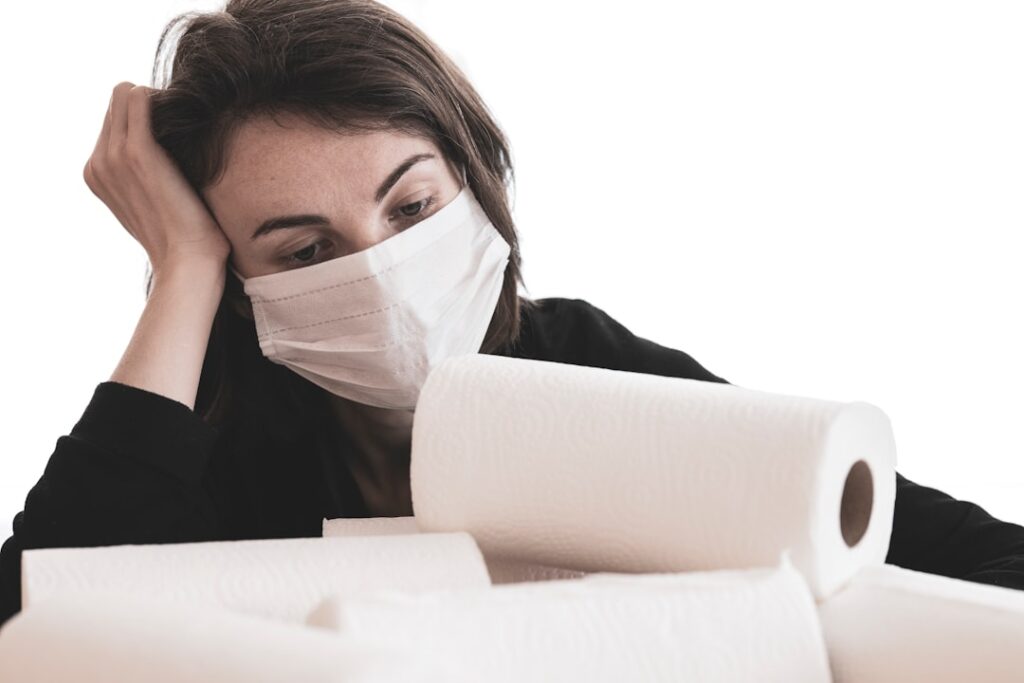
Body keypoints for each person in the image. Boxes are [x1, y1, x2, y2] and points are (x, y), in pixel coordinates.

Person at [2, 0, 1023, 630]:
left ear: (476, 185)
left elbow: (991, 563)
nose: (381, 274)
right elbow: (31, 628)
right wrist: (182, 267)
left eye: (411, 208)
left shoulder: (586, 373)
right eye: (305, 252)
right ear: (240, 283)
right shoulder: (209, 442)